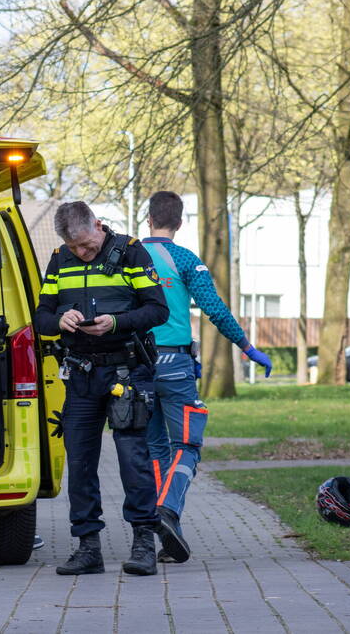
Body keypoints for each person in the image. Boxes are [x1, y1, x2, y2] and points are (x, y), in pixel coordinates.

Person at [34, 201, 172, 577]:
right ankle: (88, 547)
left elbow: (158, 310)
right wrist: (59, 319)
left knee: (133, 460)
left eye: (87, 245)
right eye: (75, 247)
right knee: (79, 463)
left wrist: (117, 322)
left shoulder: (131, 253)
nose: (83, 252)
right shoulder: (60, 260)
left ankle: (144, 541)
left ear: (98, 225)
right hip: (80, 374)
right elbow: (40, 316)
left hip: (126, 371)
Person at [141, 191, 273, 563]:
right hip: (175, 367)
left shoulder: (127, 256)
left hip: (138, 368)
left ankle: (167, 531)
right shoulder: (184, 259)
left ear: (148, 219)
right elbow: (213, 309)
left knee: (154, 449)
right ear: (179, 224)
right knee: (187, 445)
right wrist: (247, 348)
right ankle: (167, 509)